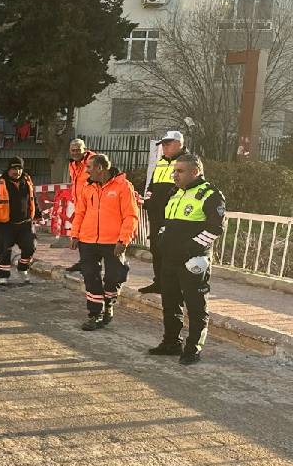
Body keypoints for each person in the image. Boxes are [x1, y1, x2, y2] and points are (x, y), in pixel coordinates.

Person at [150, 154, 224, 365]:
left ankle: (193, 349)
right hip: (170, 260)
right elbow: (167, 222)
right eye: (174, 170)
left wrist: (191, 248)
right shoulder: (175, 193)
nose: (174, 175)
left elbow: (215, 228)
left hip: (193, 262)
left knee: (196, 306)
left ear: (195, 172)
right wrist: (163, 239)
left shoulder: (210, 194)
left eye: (180, 171)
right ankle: (171, 343)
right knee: (170, 303)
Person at [68, 154, 138, 331]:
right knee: (90, 277)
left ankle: (109, 305)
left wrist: (124, 240)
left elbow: (130, 216)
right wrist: (75, 235)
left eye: (89, 167)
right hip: (88, 240)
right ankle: (95, 314)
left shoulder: (123, 186)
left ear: (100, 168)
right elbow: (80, 213)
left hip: (113, 242)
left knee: (113, 277)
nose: (86, 170)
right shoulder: (87, 187)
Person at [139, 131, 188, 294]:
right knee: (156, 248)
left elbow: (185, 187)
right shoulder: (161, 162)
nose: (165, 148)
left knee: (171, 250)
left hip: (174, 215)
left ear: (179, 144)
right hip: (156, 213)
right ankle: (158, 282)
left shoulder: (187, 162)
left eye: (168, 144)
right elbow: (152, 186)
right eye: (163, 145)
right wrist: (148, 202)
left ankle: (171, 285)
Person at [0, 156, 38, 285]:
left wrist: (38, 214)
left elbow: (32, 199)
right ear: (8, 169)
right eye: (14, 168)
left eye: (19, 168)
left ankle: (23, 268)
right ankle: (3, 276)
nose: (17, 171)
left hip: (25, 223)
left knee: (30, 247)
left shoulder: (27, 180)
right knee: (4, 249)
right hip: (5, 224)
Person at [64, 139, 96, 272]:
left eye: (78, 149)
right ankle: (84, 262)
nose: (76, 152)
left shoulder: (93, 161)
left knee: (89, 236)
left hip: (92, 204)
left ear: (85, 149)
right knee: (81, 235)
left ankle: (90, 264)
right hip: (80, 204)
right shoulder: (72, 164)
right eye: (73, 150)